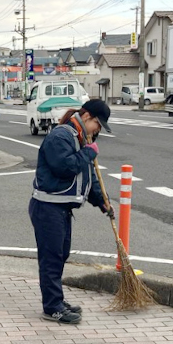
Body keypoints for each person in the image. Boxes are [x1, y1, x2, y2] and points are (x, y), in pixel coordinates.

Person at [30, 99, 114, 324]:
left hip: (61, 208)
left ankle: (56, 300)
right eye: (97, 124)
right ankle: (52, 307)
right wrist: (88, 153)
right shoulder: (62, 136)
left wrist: (102, 202)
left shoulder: (80, 138)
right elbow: (65, 168)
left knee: (60, 255)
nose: (98, 130)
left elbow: (88, 177)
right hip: (48, 206)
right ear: (86, 117)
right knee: (52, 258)